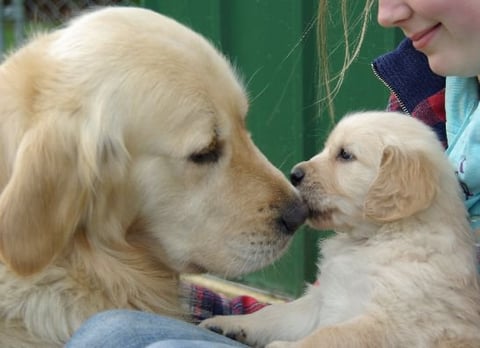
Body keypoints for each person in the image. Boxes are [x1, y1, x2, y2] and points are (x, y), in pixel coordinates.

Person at [67, 0, 480, 346]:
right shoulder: (433, 92)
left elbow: (387, 327)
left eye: (343, 157)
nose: (387, 14)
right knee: (112, 329)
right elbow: (325, 305)